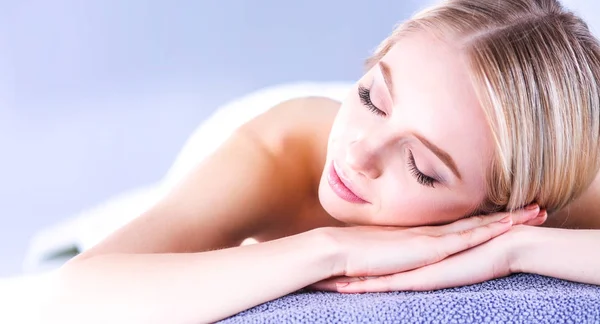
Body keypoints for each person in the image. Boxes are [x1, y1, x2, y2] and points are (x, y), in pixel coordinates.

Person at [50, 0, 600, 323]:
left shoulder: (555, 189)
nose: (361, 154)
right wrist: (330, 249)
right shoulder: (282, 151)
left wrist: (515, 247)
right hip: (222, 153)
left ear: (502, 206)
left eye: (422, 168)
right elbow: (77, 295)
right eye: (372, 97)